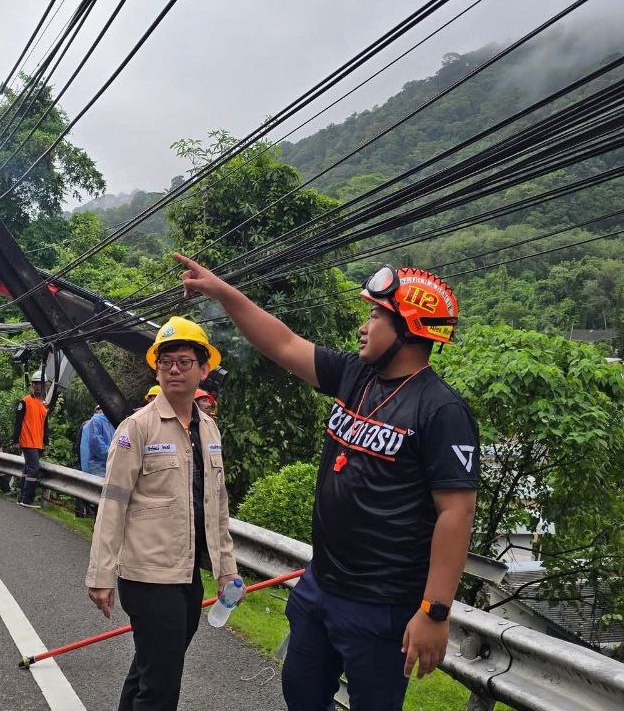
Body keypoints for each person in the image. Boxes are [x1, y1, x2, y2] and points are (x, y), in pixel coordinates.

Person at [176, 254, 478, 711]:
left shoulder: (441, 411)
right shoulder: (355, 376)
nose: (364, 325)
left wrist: (434, 611)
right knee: (300, 692)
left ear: (409, 330)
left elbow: (456, 513)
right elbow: (281, 343)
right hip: (322, 586)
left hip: (382, 605)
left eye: (376, 315)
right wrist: (222, 292)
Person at [86, 316, 239, 711]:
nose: (174, 369)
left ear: (204, 370)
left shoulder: (209, 430)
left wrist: (227, 568)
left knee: (150, 668)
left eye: (184, 361)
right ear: (156, 367)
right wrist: (101, 574)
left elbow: (216, 505)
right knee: (162, 684)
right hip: (147, 576)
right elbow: (113, 502)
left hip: (187, 576)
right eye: (166, 362)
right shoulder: (136, 428)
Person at [14, 371, 49, 508]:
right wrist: (15, 440)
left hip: (38, 442)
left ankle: (21, 497)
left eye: (40, 384)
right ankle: (27, 499)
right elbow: (18, 422)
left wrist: (46, 443)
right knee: (34, 469)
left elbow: (45, 425)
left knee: (28, 469)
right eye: (35, 384)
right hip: (27, 441)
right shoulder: (25, 401)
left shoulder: (44, 404)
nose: (38, 386)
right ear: (32, 385)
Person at [76, 405, 114, 518]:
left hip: (103, 465)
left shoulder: (110, 422)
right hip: (97, 465)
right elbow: (97, 444)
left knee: (100, 497)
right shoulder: (96, 421)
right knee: (99, 498)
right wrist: (112, 455)